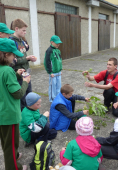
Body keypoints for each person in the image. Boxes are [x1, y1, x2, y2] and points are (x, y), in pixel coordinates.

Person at [0, 38, 31, 170]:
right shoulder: (7, 70)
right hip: (9, 115)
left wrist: (15, 74)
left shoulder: (5, 70)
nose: (14, 58)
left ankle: (14, 156)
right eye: (13, 55)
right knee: (12, 145)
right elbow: (18, 94)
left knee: (6, 142)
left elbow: (4, 82)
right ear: (6, 55)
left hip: (2, 113)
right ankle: (14, 167)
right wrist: (25, 82)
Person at [10, 19, 36, 111]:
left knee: (30, 96)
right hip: (19, 75)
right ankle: (23, 121)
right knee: (23, 100)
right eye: (23, 30)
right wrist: (27, 58)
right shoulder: (12, 42)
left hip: (26, 73)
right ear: (16, 29)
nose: (25, 32)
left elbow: (23, 54)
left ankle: (30, 116)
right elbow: (13, 61)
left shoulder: (22, 41)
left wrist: (29, 58)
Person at [44, 35, 63, 102]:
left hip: (58, 72)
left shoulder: (58, 51)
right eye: (56, 43)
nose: (58, 44)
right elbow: (47, 62)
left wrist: (60, 69)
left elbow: (60, 60)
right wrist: (50, 72)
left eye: (59, 43)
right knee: (53, 87)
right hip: (53, 73)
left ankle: (58, 98)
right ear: (52, 42)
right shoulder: (49, 51)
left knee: (59, 86)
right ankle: (52, 99)